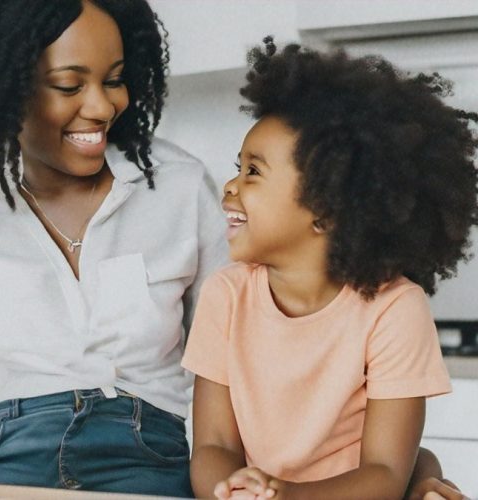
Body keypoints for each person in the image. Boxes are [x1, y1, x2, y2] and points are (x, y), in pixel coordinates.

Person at [0, 0, 226, 497]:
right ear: (2, 87)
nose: (103, 107)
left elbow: (227, 360)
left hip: (146, 450)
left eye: (113, 80)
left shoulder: (179, 187)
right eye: (69, 85)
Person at [182, 38, 477, 500]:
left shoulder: (394, 308)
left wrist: (284, 495)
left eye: (253, 173)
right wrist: (231, 489)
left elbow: (383, 473)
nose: (231, 186)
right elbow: (213, 445)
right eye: (238, 168)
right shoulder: (226, 294)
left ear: (325, 209)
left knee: (419, 470)